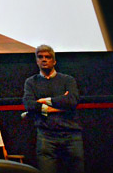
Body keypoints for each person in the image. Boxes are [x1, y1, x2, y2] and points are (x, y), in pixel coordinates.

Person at [23, 45, 84, 173]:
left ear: (54, 61)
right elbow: (30, 105)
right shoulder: (31, 82)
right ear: (36, 61)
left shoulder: (68, 80)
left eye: (48, 57)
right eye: (40, 57)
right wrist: (59, 106)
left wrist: (46, 101)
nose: (44, 59)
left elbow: (72, 101)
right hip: (46, 135)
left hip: (71, 134)